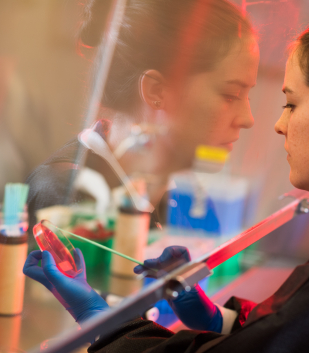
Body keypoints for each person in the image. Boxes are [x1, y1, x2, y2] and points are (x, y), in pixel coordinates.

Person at [26, 4, 309, 353]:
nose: (269, 122)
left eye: (291, 104)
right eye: (231, 94)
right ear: (155, 92)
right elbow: (295, 338)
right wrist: (221, 319)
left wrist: (102, 321)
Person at [25, 0, 259, 229]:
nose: (247, 119)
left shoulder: (180, 197)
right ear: (156, 91)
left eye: (248, 95)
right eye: (230, 95)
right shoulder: (68, 193)